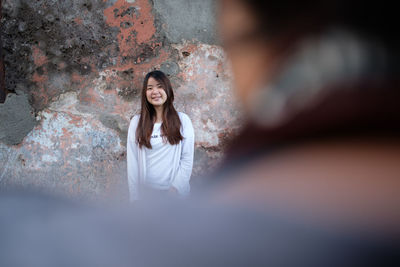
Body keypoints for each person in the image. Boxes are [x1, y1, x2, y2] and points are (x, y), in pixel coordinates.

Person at [127, 70, 194, 201]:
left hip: (175, 195)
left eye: (160, 87)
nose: (155, 92)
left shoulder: (183, 120)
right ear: (145, 93)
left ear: (168, 90)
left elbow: (187, 159)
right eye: (150, 88)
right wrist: (135, 199)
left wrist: (174, 189)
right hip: (148, 196)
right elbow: (132, 164)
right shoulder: (136, 122)